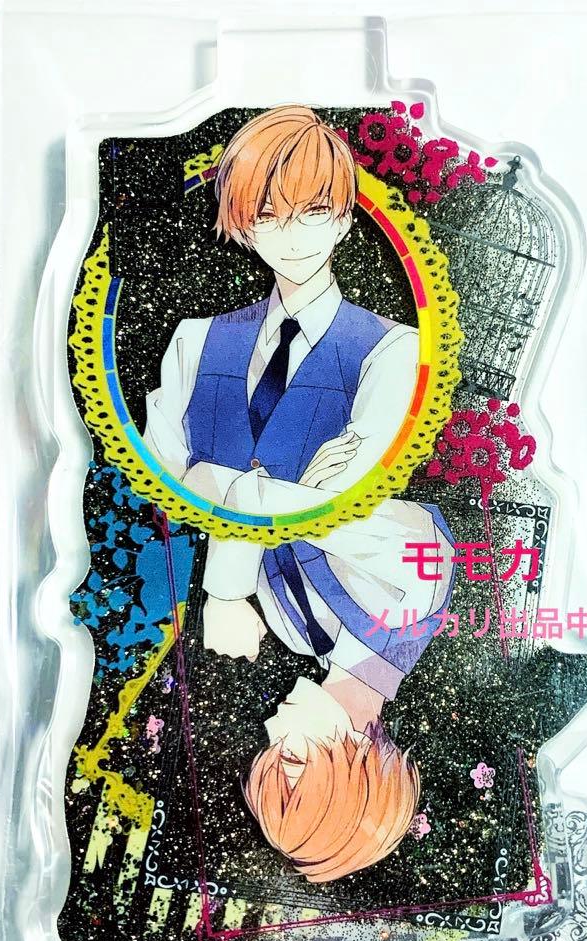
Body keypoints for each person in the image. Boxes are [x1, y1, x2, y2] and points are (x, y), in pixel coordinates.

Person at [142, 105, 453, 879]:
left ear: (346, 219)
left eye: (315, 210)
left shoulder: (294, 631)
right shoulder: (413, 590)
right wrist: (226, 586)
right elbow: (259, 498)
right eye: (268, 213)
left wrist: (232, 492)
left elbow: (196, 489)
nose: (272, 734)